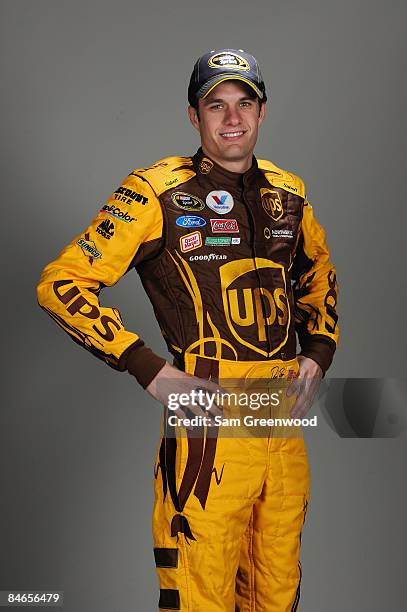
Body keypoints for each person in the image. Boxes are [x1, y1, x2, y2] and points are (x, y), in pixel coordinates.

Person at [37, 48, 339, 611]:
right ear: (193, 117)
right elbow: (62, 283)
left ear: (263, 112)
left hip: (279, 420)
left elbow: (317, 272)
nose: (232, 119)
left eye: (244, 103)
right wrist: (146, 368)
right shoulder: (155, 192)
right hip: (208, 424)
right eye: (216, 105)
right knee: (200, 595)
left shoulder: (289, 192)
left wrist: (319, 349)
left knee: (278, 592)